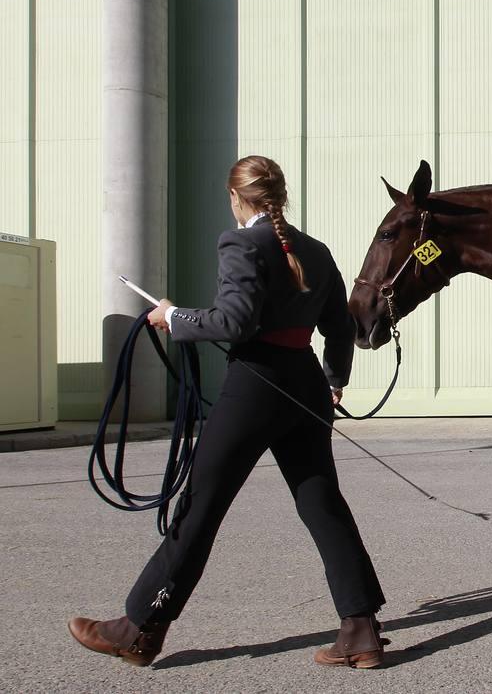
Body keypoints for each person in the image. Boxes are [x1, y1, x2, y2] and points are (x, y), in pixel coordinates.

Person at [69, 155, 388, 669]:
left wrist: (174, 316)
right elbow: (340, 326)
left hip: (255, 385)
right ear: (280, 196)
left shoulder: (240, 241)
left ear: (236, 197)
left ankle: (137, 628)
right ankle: (361, 629)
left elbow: (234, 322)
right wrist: (334, 380)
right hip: (304, 386)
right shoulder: (316, 249)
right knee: (322, 503)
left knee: (201, 506)